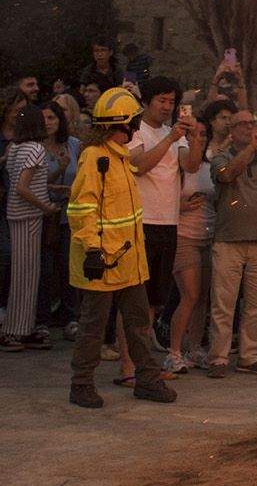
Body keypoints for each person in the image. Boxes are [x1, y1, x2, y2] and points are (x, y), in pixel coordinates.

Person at [64, 87, 175, 408]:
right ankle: (81, 384)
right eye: (134, 120)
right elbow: (82, 209)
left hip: (127, 262)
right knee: (93, 327)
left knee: (139, 324)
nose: (138, 125)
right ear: (121, 124)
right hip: (101, 262)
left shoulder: (120, 158)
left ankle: (147, 380)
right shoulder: (95, 158)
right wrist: (92, 250)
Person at [126, 80, 202, 345]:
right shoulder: (135, 130)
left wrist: (195, 139)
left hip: (169, 222)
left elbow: (191, 166)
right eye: (161, 100)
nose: (167, 107)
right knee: (134, 297)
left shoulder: (172, 132)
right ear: (146, 101)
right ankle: (128, 362)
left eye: (172, 102)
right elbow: (138, 166)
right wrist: (170, 138)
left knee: (154, 299)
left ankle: (143, 357)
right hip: (141, 221)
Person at [207, 109, 257, 376]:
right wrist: (251, 147)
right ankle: (218, 358)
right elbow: (227, 175)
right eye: (244, 124)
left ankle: (251, 356)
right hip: (228, 240)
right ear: (232, 129)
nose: (250, 128)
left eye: (253, 124)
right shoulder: (220, 157)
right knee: (223, 303)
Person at [170, 100, 228, 371]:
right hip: (184, 236)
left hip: (208, 236)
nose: (200, 138)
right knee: (190, 295)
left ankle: (194, 348)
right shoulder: (180, 162)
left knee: (202, 297)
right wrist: (179, 205)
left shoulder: (210, 163)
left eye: (203, 134)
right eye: (194, 133)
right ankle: (174, 351)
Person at [2, 103, 52, 349]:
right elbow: (22, 187)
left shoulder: (15, 148)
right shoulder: (36, 149)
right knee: (27, 276)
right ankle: (16, 330)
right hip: (29, 215)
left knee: (23, 274)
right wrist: (46, 206)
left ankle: (21, 326)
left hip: (16, 214)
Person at [37, 99, 80, 330]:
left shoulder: (73, 145)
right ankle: (42, 320)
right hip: (42, 213)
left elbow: (82, 176)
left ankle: (70, 318)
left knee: (68, 267)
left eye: (52, 117)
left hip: (68, 214)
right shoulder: (34, 147)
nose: (47, 123)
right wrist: (59, 171)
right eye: (43, 118)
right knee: (44, 270)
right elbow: (32, 183)